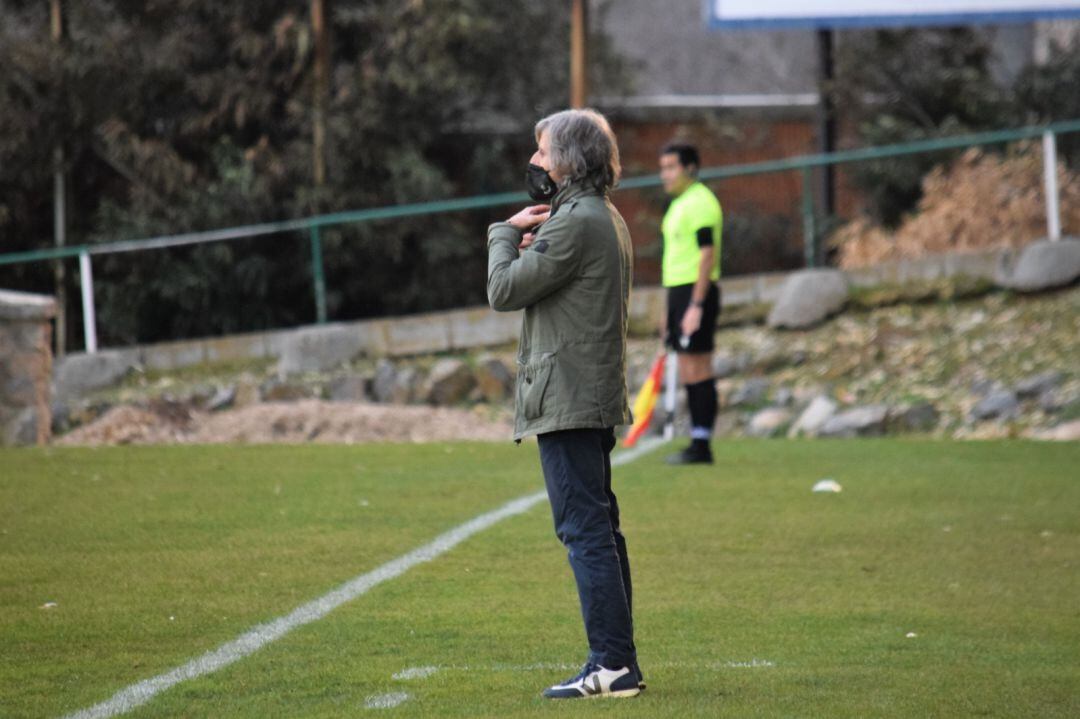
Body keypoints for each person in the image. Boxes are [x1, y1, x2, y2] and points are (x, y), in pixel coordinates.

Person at [486, 108, 643, 699]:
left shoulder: (576, 221)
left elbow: (504, 289)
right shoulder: (596, 215)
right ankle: (619, 661)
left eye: (544, 151)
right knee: (599, 528)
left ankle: (611, 663)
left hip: (570, 397)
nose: (535, 162)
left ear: (571, 160)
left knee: (585, 531)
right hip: (586, 394)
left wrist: (503, 233)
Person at [658, 142, 723, 465]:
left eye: (671, 167)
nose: (664, 175)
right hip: (678, 292)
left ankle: (702, 443)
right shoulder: (678, 205)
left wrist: (696, 305)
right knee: (687, 366)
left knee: (698, 365)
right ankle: (698, 441)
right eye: (663, 168)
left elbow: (706, 253)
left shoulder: (701, 202)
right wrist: (667, 311)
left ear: (690, 168)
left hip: (696, 292)